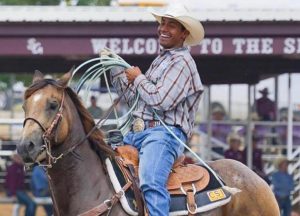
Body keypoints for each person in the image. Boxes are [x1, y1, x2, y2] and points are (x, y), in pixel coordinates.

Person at [106, 4, 204, 215]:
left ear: (184, 33)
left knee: (150, 181)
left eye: (172, 25)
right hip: (138, 134)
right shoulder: (161, 60)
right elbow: (136, 100)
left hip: (164, 135)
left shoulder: (182, 62)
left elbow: (161, 101)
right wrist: (117, 73)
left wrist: (138, 78)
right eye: (162, 23)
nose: (164, 28)